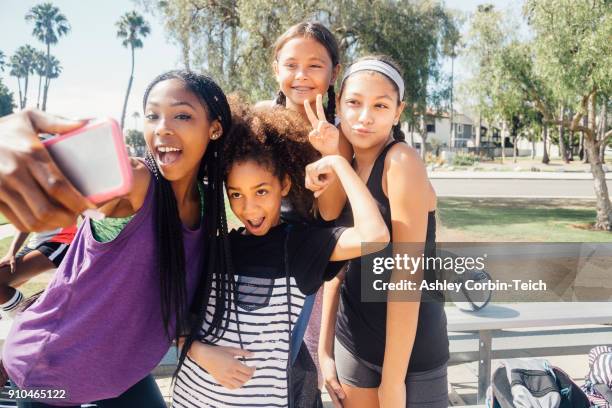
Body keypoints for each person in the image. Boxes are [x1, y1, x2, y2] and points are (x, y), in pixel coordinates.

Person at [1, 70, 233, 407]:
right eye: (153, 116)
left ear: (214, 128)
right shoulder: (136, 184)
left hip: (122, 371)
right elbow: (81, 179)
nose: (162, 127)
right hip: (47, 372)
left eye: (182, 115)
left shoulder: (208, 201)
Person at [172, 100, 389, 407]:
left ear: (284, 184)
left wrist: (337, 161)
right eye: (236, 194)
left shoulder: (302, 248)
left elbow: (375, 236)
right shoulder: (218, 248)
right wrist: (199, 351)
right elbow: (173, 316)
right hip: (191, 398)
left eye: (261, 191)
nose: (249, 208)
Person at [317, 56, 450, 408]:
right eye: (354, 103)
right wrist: (325, 348)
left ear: (398, 110)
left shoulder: (401, 162)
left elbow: (407, 276)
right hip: (355, 346)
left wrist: (392, 380)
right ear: (339, 105)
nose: (364, 116)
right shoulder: (346, 161)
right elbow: (338, 264)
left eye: (380, 105)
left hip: (415, 353)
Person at [0, 226, 76, 318]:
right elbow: (24, 223)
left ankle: (27, 324)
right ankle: (26, 319)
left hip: (61, 241)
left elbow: (88, 217)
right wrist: (11, 253)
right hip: (36, 243)